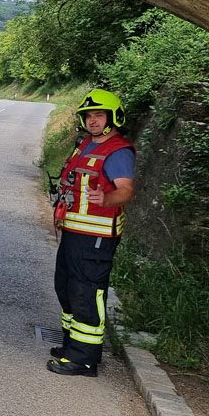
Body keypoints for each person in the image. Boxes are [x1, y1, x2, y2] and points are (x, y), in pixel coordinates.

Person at [48, 89, 136, 377]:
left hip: (95, 238)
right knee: (66, 288)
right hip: (75, 233)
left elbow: (126, 189)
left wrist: (107, 200)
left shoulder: (118, 151)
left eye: (99, 115)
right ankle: (72, 346)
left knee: (87, 293)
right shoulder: (84, 144)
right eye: (89, 116)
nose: (93, 121)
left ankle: (84, 359)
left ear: (113, 118)